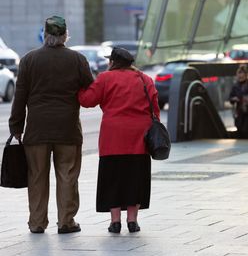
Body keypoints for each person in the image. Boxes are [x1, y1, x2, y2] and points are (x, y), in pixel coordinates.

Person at [9, 15, 94, 234]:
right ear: (65, 35)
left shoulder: (29, 60)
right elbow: (90, 90)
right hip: (68, 129)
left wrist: (16, 127)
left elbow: (20, 96)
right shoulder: (77, 60)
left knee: (37, 176)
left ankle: (37, 222)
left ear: (45, 35)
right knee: (67, 175)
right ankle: (66, 221)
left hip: (37, 129)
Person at [78, 47, 160, 233]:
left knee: (112, 179)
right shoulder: (144, 79)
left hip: (112, 138)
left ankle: (115, 222)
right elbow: (155, 108)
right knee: (135, 179)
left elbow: (87, 100)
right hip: (139, 138)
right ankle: (132, 220)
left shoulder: (105, 78)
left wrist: (80, 88)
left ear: (113, 62)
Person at [229, 64, 248, 138]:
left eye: (242, 75)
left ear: (246, 75)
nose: (240, 77)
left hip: (247, 112)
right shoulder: (235, 86)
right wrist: (234, 99)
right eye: (239, 75)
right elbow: (230, 98)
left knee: (245, 130)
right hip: (239, 112)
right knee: (240, 128)